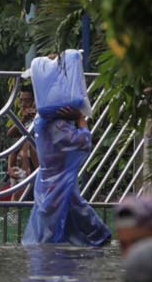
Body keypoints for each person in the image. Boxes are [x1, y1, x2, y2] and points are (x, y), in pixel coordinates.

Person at [22, 104, 111, 246]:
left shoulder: (41, 120)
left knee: (52, 227)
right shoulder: (58, 126)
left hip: (47, 182)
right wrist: (80, 119)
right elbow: (83, 142)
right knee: (74, 215)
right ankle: (101, 238)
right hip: (60, 183)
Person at [5, 83, 39, 191]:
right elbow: (11, 135)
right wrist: (10, 167)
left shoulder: (41, 120)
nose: (23, 104)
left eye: (27, 100)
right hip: (24, 172)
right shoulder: (25, 121)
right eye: (21, 101)